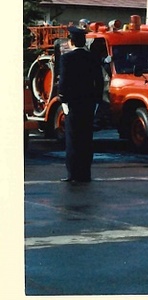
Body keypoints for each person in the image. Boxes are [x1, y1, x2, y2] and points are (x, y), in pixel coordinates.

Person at [58, 26, 104, 183]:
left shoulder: (67, 59)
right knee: (86, 138)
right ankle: (85, 173)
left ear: (71, 41)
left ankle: (73, 174)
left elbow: (63, 82)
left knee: (72, 139)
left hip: (73, 103)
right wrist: (97, 100)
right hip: (89, 103)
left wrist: (63, 100)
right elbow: (99, 81)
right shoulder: (92, 58)